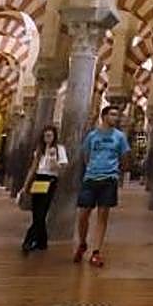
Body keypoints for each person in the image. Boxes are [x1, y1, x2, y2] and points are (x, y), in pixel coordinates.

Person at [75, 105, 132, 267]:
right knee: (83, 214)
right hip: (91, 178)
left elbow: (124, 156)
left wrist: (117, 171)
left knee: (102, 216)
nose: (116, 118)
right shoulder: (92, 136)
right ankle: (82, 242)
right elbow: (86, 155)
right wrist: (92, 168)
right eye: (113, 115)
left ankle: (96, 252)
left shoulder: (120, 137)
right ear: (104, 116)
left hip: (109, 179)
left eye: (117, 115)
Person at [20, 125, 68, 253]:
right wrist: (25, 186)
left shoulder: (59, 149)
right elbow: (33, 168)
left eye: (50, 136)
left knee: (42, 210)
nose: (47, 138)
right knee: (37, 211)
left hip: (50, 180)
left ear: (54, 136)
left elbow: (60, 169)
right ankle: (42, 241)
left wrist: (53, 158)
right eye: (45, 136)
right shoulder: (40, 150)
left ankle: (28, 240)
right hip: (39, 180)